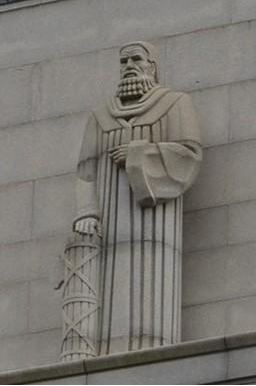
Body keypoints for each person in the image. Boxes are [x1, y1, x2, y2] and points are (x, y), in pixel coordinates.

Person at [73, 41, 202, 355]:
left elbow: (189, 156)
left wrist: (137, 154)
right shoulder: (100, 117)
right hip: (108, 219)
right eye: (123, 60)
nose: (129, 65)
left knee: (149, 290)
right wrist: (87, 212)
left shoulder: (174, 104)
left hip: (154, 219)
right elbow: (85, 171)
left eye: (137, 59)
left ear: (152, 67)